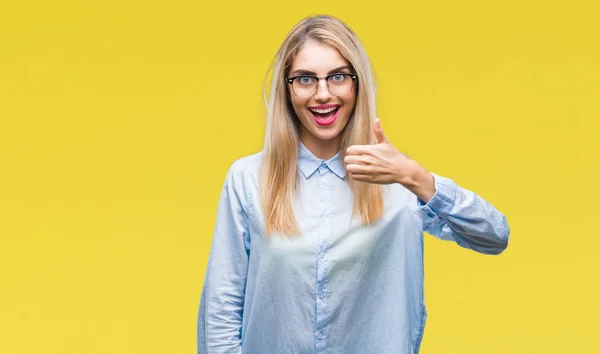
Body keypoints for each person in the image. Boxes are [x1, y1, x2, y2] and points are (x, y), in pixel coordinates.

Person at [197, 14, 509, 354]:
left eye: (338, 77)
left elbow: (493, 235)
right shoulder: (246, 179)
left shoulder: (399, 182)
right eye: (305, 79)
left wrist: (416, 178)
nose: (322, 94)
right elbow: (221, 312)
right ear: (287, 90)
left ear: (357, 84)